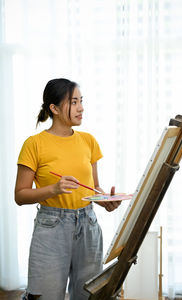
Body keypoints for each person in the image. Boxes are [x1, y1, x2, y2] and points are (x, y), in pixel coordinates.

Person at [15, 78, 121, 300]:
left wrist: (105, 200)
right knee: (46, 295)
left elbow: (94, 186)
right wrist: (54, 189)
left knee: (88, 295)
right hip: (51, 227)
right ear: (53, 108)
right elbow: (20, 195)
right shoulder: (34, 144)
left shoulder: (88, 141)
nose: (81, 108)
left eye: (81, 101)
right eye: (73, 102)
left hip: (88, 224)